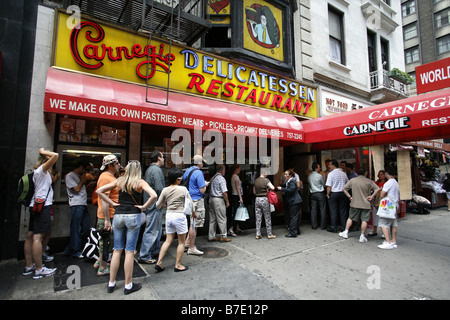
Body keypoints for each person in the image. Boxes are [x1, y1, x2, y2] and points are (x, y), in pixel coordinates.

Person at [97, 160, 157, 294]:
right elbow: (154, 195)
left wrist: (112, 203)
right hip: (133, 216)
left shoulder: (120, 180)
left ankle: (111, 283)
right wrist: (144, 207)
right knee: (129, 251)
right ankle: (128, 285)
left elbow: (99, 191)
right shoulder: (140, 182)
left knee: (117, 250)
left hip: (118, 216)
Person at [23, 148, 59, 279]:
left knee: (30, 235)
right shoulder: (42, 171)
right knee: (38, 238)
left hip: (35, 205)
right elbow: (55, 155)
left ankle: (29, 265)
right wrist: (44, 151)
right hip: (42, 207)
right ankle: (39, 269)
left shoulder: (37, 173)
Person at [154, 168, 194, 272]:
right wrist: (194, 213)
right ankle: (178, 265)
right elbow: (190, 203)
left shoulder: (165, 190)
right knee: (181, 242)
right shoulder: (183, 189)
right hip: (180, 216)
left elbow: (158, 205)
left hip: (169, 215)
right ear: (178, 179)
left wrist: (164, 204)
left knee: (168, 240)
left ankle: (159, 262)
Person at [94, 155, 120, 276]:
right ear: (110, 165)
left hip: (109, 215)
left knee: (105, 241)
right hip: (107, 216)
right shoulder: (106, 178)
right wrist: (107, 221)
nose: (119, 165)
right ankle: (103, 267)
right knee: (106, 242)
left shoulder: (108, 177)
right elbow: (104, 200)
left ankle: (100, 262)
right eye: (117, 163)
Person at [138, 150, 166, 264]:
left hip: (152, 204)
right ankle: (144, 255)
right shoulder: (156, 170)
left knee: (156, 229)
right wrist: (164, 199)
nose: (164, 159)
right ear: (159, 158)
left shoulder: (150, 169)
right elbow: (159, 188)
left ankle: (154, 250)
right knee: (152, 230)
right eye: (163, 157)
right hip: (155, 204)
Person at [339, 168, 380, 242]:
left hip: (355, 202)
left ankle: (346, 232)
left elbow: (344, 189)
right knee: (364, 220)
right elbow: (377, 189)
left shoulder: (353, 180)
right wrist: (372, 196)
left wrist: (350, 197)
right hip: (365, 203)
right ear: (365, 173)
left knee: (350, 217)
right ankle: (362, 236)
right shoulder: (369, 181)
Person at [64, 159, 92, 258]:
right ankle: (75, 250)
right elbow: (76, 189)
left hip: (83, 204)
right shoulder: (70, 176)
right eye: (85, 169)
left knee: (85, 227)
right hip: (76, 204)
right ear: (80, 167)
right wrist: (83, 181)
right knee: (76, 228)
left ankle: (70, 249)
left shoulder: (79, 177)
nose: (85, 172)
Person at [183, 155, 208, 256]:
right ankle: (192, 248)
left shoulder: (187, 171)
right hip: (197, 200)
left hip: (189, 200)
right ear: (199, 163)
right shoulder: (199, 172)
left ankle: (187, 242)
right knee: (194, 224)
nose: (203, 164)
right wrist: (206, 184)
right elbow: (202, 190)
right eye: (202, 162)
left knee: (191, 223)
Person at [377, 168, 400, 250]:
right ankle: (393, 241)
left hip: (388, 206)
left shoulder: (388, 183)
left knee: (383, 224)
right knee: (393, 224)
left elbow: (382, 195)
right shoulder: (396, 183)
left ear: (386, 173)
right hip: (394, 205)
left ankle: (388, 242)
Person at [208, 164, 231, 242]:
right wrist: (227, 201)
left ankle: (211, 236)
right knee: (222, 218)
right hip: (218, 199)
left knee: (212, 219)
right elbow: (224, 192)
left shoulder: (213, 178)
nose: (225, 171)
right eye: (224, 170)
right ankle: (223, 236)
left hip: (211, 199)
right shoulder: (221, 178)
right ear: (222, 170)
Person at [325, 159, 349, 233]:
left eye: (330, 165)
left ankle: (333, 227)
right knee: (343, 211)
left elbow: (329, 186)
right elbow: (347, 183)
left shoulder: (331, 174)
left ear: (333, 165)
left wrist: (327, 194)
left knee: (333, 211)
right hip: (342, 193)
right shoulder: (343, 173)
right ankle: (344, 227)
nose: (329, 166)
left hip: (334, 193)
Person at [277, 170, 302, 237]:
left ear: (290, 175)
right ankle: (297, 231)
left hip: (294, 201)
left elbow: (291, 190)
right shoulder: (289, 181)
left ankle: (293, 232)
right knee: (295, 216)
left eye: (286, 174)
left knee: (293, 217)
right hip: (294, 201)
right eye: (284, 174)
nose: (285, 176)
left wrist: (282, 189)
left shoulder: (292, 181)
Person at [253, 167, 276, 239]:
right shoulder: (266, 180)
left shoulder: (256, 180)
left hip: (257, 199)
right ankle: (269, 234)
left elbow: (254, 191)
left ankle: (258, 234)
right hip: (264, 199)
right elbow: (273, 188)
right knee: (267, 216)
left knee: (258, 217)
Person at [309, 162, 327, 230]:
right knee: (322, 209)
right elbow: (323, 184)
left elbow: (310, 185)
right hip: (320, 193)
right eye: (319, 167)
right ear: (316, 168)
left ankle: (314, 225)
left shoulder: (310, 176)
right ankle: (323, 225)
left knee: (313, 210)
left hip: (313, 193)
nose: (320, 168)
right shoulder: (319, 176)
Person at [369, 170, 387, 236]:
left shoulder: (386, 183)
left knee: (383, 217)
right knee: (375, 216)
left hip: (383, 201)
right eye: (379, 174)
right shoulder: (377, 182)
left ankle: (383, 232)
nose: (380, 176)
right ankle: (375, 230)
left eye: (381, 174)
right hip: (376, 200)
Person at [229, 164, 244, 237]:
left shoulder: (233, 176)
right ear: (236, 169)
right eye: (239, 168)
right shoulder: (236, 177)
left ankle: (237, 227)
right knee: (236, 212)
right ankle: (231, 228)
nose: (240, 170)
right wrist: (240, 198)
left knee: (236, 211)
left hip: (234, 195)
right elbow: (238, 188)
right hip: (236, 196)